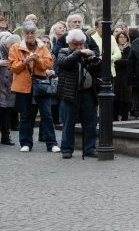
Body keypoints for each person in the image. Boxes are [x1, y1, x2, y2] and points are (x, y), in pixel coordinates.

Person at [8, 22, 58, 152]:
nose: (30, 35)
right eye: (27, 33)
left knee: (47, 114)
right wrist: (27, 61)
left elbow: (47, 64)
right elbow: (13, 67)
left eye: (32, 32)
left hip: (40, 84)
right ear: (23, 34)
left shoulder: (42, 47)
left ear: (36, 33)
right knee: (25, 115)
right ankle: (25, 143)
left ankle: (52, 143)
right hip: (22, 86)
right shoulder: (15, 47)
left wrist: (37, 60)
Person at [54, 29, 101, 158]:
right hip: (70, 93)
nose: (79, 46)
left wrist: (94, 59)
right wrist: (79, 53)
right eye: (75, 44)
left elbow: (99, 68)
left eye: (81, 44)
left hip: (88, 92)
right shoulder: (63, 52)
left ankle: (89, 148)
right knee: (68, 122)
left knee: (91, 122)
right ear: (69, 43)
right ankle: (67, 149)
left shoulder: (88, 53)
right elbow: (64, 63)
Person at [113, 31, 132, 121]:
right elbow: (113, 60)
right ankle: (114, 117)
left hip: (126, 76)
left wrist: (118, 61)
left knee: (125, 97)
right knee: (115, 97)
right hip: (116, 76)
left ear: (127, 39)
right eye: (120, 37)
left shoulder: (130, 49)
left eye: (124, 37)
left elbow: (129, 61)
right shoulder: (114, 48)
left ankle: (125, 117)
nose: (122, 39)